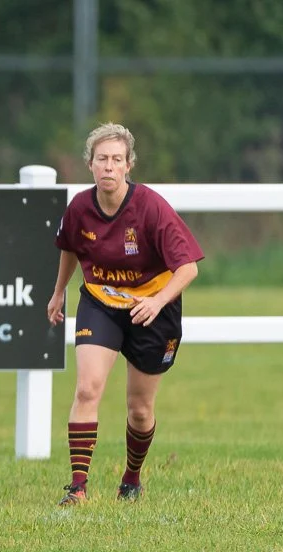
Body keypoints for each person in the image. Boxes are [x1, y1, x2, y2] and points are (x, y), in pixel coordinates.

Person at [47, 123, 204, 506]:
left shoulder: (151, 207)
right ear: (90, 165)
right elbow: (69, 247)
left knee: (139, 409)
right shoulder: (80, 207)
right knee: (87, 388)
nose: (109, 167)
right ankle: (78, 487)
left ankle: (131, 478)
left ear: (129, 165)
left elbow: (188, 268)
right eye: (102, 159)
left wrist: (157, 301)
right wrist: (58, 293)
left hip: (152, 309)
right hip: (101, 302)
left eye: (117, 159)